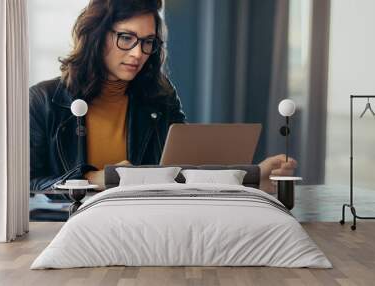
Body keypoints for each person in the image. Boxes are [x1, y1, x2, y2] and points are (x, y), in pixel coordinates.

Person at [30, 0, 296, 194]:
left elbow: (188, 170)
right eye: (126, 38)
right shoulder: (43, 101)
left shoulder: (160, 97)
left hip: (147, 222)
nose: (138, 53)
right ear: (96, 36)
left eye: (148, 42)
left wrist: (253, 175)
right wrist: (92, 178)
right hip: (71, 226)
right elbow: (25, 186)